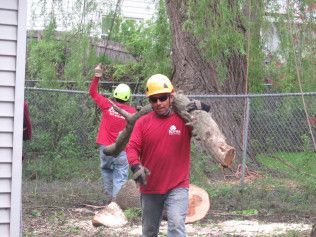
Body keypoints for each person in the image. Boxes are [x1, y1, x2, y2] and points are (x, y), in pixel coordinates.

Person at [126, 74, 210, 237]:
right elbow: (132, 147)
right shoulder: (143, 122)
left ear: (171, 97)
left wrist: (204, 108)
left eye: (162, 98)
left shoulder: (184, 120)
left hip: (177, 186)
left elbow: (206, 126)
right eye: (153, 99)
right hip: (150, 187)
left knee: (176, 226)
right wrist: (135, 165)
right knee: (149, 231)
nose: (158, 103)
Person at [89, 64, 136, 203]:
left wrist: (97, 76)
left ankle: (110, 199)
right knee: (120, 174)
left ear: (115, 94)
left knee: (106, 170)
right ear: (128, 97)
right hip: (121, 148)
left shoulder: (107, 104)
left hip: (105, 147)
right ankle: (117, 202)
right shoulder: (132, 113)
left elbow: (92, 92)